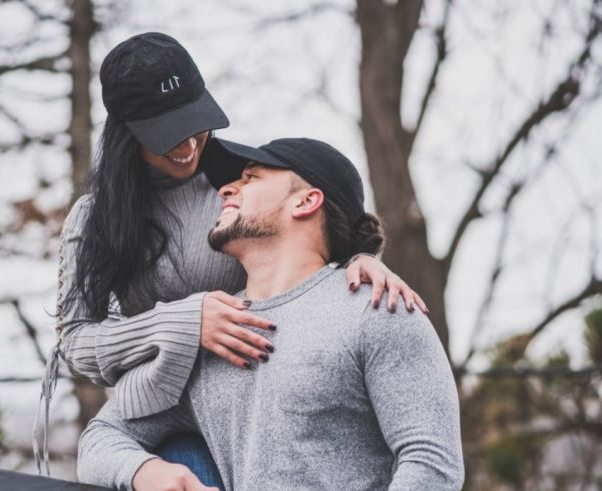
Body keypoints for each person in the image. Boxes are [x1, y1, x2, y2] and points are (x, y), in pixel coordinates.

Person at [33, 32, 427, 483]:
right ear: (127, 133)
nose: (186, 146)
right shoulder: (95, 218)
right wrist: (185, 322)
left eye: (193, 122)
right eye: (165, 135)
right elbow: (77, 342)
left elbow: (307, 221)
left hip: (263, 379)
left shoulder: (237, 180)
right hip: (171, 403)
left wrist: (358, 257)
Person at [76, 137, 464, 491]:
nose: (227, 189)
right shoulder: (215, 332)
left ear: (305, 201)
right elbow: (100, 439)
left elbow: (432, 465)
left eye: (251, 177)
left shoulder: (379, 308)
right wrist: (147, 472)